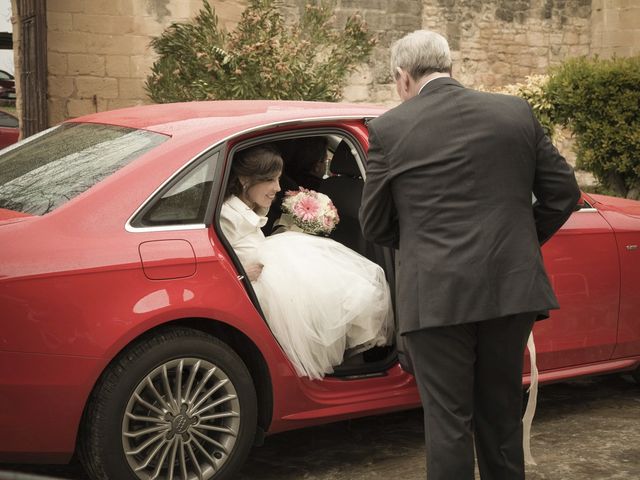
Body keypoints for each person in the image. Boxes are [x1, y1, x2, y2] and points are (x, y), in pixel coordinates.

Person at [359, 30, 580, 480]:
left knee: (447, 422)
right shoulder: (514, 112)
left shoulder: (389, 128)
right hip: (511, 288)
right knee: (501, 415)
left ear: (403, 78)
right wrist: (517, 243)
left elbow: (375, 224)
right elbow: (564, 194)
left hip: (437, 295)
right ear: (450, 66)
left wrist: (427, 249)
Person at [221, 144, 393, 380]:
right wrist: (238, 274)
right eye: (271, 180)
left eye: (279, 179)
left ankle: (356, 366)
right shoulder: (227, 216)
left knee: (349, 291)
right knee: (345, 294)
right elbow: (216, 260)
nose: (278, 188)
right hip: (259, 288)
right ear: (244, 180)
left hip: (271, 275)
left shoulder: (241, 208)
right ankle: (356, 364)